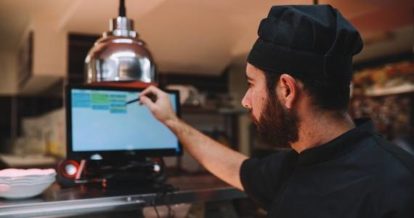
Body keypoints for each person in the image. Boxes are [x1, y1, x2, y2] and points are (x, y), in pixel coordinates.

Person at [139, 4, 414, 218]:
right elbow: (235, 168)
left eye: (250, 84)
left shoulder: (400, 186)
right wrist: (171, 120)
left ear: (286, 89)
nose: (246, 101)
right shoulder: (296, 165)